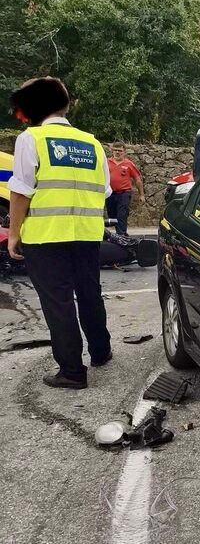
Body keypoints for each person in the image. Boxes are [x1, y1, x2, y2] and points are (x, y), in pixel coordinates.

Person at [6, 77, 113, 389]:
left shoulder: (32, 139)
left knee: (59, 301)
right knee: (90, 293)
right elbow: (105, 191)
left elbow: (21, 191)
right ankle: (101, 351)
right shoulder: (92, 143)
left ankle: (72, 371)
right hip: (87, 234)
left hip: (46, 236)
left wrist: (13, 233)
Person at [106, 141, 143, 235]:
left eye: (120, 150)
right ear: (112, 151)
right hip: (110, 194)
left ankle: (122, 235)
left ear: (124, 152)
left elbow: (137, 179)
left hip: (124, 194)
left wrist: (141, 195)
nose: (117, 152)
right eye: (115, 150)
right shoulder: (106, 162)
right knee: (112, 216)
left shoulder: (129, 164)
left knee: (122, 215)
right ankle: (121, 234)